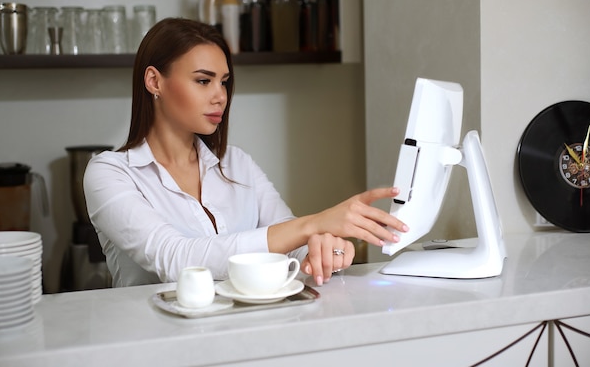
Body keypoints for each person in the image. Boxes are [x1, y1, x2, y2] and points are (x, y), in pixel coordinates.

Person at [83, 18, 408, 288]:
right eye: (202, 81)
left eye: (224, 82)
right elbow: (178, 260)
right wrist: (313, 224)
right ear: (154, 81)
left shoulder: (237, 163)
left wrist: (322, 248)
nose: (220, 96)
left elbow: (291, 246)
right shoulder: (110, 173)